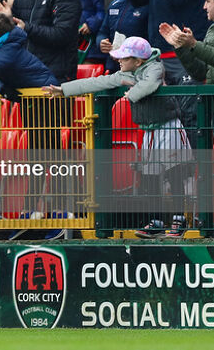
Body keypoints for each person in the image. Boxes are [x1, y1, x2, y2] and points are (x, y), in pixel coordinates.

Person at [43, 36, 194, 239]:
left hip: (169, 127)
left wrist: (129, 95)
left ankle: (178, 220)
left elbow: (149, 84)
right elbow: (99, 81)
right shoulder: (126, 73)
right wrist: (64, 90)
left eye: (124, 57)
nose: (119, 61)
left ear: (138, 61)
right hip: (149, 131)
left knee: (174, 174)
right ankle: (156, 222)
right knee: (149, 177)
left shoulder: (155, 68)